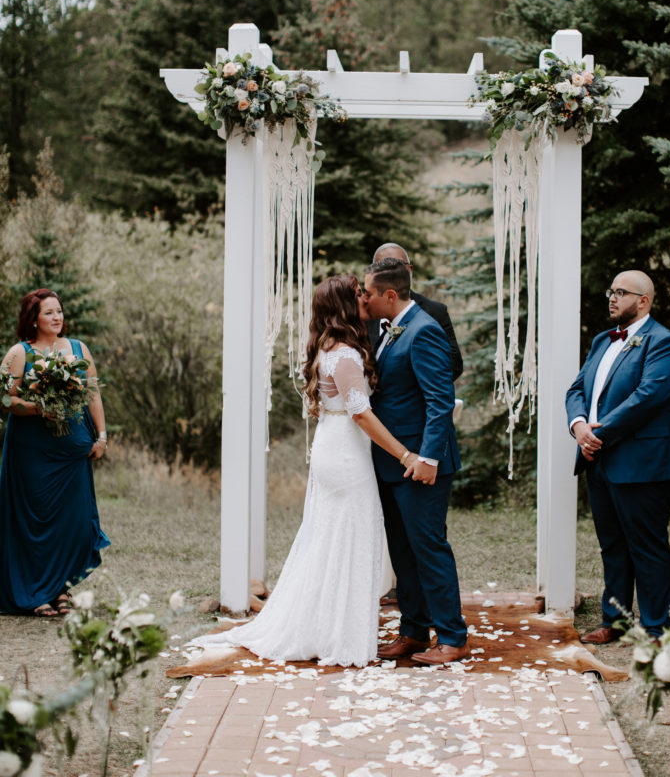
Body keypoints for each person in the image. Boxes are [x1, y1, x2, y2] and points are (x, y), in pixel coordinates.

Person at [189, 274, 420, 667]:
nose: (365, 298)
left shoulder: (330, 348)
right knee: (347, 539)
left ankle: (326, 624)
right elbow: (361, 415)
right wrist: (404, 454)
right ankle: (336, 634)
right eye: (358, 295)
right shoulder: (345, 355)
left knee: (331, 540)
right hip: (346, 453)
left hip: (335, 445)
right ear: (346, 306)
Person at [565, 270, 670, 643]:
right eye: (611, 291)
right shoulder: (603, 340)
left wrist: (597, 434)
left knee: (647, 545)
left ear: (644, 301)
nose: (612, 298)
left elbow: (649, 397)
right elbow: (577, 389)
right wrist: (579, 426)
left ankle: (656, 628)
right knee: (612, 545)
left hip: (644, 462)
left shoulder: (663, 342)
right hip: (599, 459)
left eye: (622, 292)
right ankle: (615, 621)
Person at [364, 257, 469, 665]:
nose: (366, 300)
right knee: (403, 553)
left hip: (422, 467)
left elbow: (440, 401)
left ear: (391, 295)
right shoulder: (393, 330)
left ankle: (453, 637)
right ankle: (413, 631)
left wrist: (427, 458)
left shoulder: (424, 331)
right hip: (394, 465)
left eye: (370, 294)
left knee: (429, 549)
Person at [0, 289, 110, 616]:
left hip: (72, 453)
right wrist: (39, 408)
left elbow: (92, 396)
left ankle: (61, 586)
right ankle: (37, 593)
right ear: (34, 318)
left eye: (59, 311)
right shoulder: (19, 353)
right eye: (48, 313)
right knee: (36, 523)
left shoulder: (78, 349)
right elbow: (5, 400)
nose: (56, 317)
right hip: (32, 454)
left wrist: (101, 436)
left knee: (73, 522)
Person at [367, 243, 463, 380]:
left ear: (410, 270)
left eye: (397, 266)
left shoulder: (434, 311)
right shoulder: (365, 314)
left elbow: (454, 365)